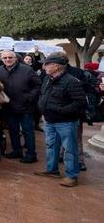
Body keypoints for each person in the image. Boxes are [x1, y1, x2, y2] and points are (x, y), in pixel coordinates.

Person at [34, 53, 87, 188]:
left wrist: (61, 111)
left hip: (66, 122)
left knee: (70, 149)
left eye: (47, 64)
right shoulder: (47, 78)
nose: (44, 66)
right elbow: (43, 94)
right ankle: (52, 170)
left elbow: (80, 102)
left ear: (56, 66)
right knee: (51, 146)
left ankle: (71, 176)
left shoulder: (71, 81)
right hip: (50, 120)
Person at [0, 50, 41, 163]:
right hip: (9, 107)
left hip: (25, 107)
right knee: (13, 130)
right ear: (2, 59)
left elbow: (38, 85)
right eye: (5, 58)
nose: (7, 60)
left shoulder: (27, 69)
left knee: (28, 131)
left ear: (15, 58)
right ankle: (17, 151)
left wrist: (29, 98)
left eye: (10, 57)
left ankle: (31, 154)